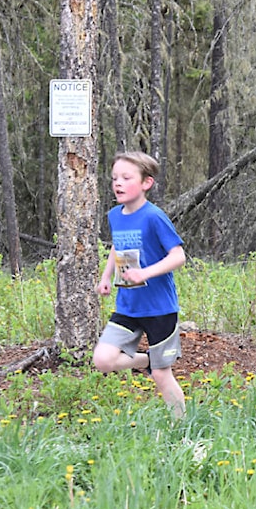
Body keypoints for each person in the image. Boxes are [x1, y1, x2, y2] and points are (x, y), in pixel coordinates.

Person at [93, 151, 187, 418]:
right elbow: (116, 246)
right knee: (103, 359)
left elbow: (178, 256)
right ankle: (146, 360)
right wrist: (106, 277)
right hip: (128, 305)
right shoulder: (115, 215)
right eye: (114, 178)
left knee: (161, 375)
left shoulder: (154, 217)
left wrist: (145, 273)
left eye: (126, 177)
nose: (118, 184)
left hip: (159, 308)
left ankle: (182, 431)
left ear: (147, 183)